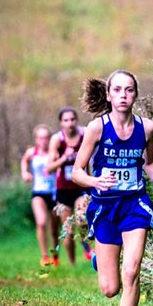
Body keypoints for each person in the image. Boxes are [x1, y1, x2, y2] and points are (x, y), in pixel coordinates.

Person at [72, 70, 153, 306]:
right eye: (117, 90)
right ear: (109, 95)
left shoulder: (147, 128)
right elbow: (77, 171)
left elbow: (149, 162)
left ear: (135, 94)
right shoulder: (97, 128)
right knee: (110, 289)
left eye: (129, 90)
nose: (123, 96)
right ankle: (100, 261)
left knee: (132, 271)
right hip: (105, 207)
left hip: (135, 204)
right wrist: (95, 181)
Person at [47, 107, 92, 265]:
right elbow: (49, 168)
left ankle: (87, 247)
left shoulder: (85, 133)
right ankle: (72, 264)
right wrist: (64, 158)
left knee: (82, 219)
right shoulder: (57, 139)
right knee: (68, 231)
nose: (70, 123)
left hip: (81, 186)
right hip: (63, 189)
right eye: (66, 120)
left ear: (76, 120)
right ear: (61, 123)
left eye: (72, 119)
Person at [21, 124, 59, 267]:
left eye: (46, 138)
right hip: (38, 193)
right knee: (41, 222)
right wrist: (25, 172)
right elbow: (24, 161)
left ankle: (55, 255)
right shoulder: (32, 152)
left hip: (54, 193)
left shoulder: (55, 153)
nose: (43, 141)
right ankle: (44, 257)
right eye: (40, 138)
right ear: (36, 139)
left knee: (55, 229)